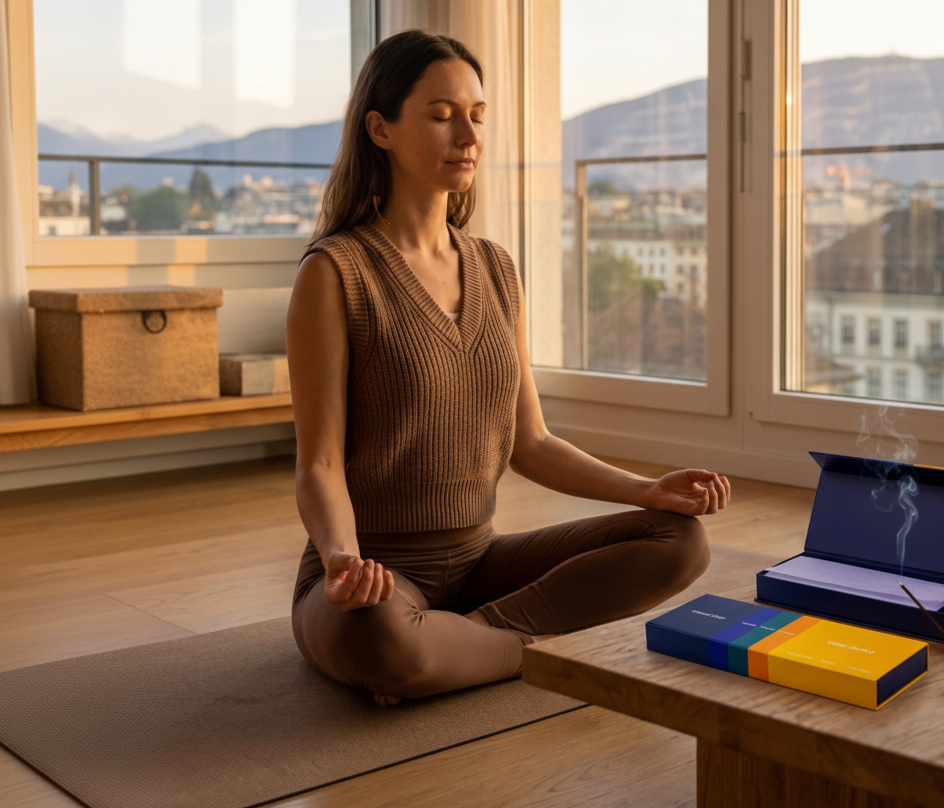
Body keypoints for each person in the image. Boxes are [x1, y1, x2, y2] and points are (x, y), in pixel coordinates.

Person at [286, 30, 729, 706]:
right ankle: (462, 648)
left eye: (478, 114)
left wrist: (647, 490)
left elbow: (532, 443)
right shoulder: (335, 273)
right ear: (381, 128)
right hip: (373, 575)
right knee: (378, 633)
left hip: (478, 563)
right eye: (441, 115)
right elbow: (317, 462)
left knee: (680, 540)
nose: (468, 133)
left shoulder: (496, 268)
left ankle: (467, 642)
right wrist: (343, 559)